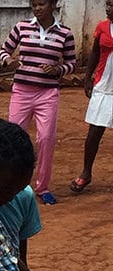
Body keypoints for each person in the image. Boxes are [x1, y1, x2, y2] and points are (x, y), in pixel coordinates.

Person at [0, 0, 76, 205]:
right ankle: (12, 184)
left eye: (41, 4)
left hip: (48, 93)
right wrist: (8, 60)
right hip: (21, 91)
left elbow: (72, 63)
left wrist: (59, 70)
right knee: (14, 137)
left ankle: (42, 187)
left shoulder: (65, 33)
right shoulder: (21, 27)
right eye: (34, 5)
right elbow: (3, 50)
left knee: (46, 138)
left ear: (53, 5)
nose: (37, 8)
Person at [70, 1, 113, 193]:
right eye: (107, 5)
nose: (108, 8)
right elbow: (95, 51)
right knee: (94, 131)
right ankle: (86, 173)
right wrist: (87, 78)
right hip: (103, 85)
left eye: (112, 5)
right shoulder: (102, 27)